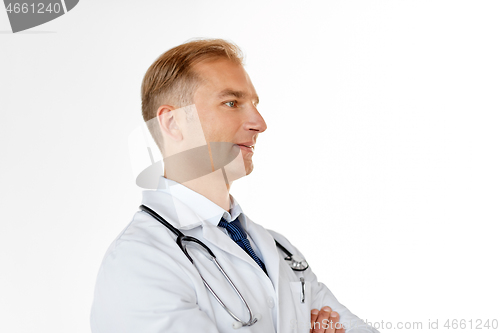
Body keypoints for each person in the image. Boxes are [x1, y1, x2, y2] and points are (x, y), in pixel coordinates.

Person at [90, 38, 378, 333]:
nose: (259, 122)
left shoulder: (277, 249)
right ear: (174, 122)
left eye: (254, 104)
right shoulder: (140, 261)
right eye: (231, 103)